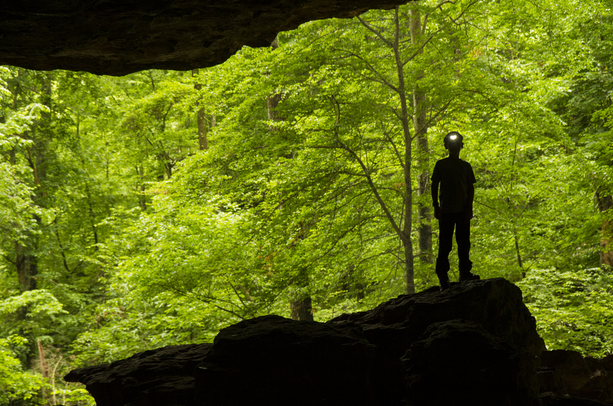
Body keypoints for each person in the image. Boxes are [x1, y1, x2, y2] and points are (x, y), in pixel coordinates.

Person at [431, 131, 479, 290]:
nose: (454, 146)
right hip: (446, 211)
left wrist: (469, 208)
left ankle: (465, 273)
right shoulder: (441, 165)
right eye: (451, 143)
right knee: (445, 245)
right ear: (447, 146)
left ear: (461, 146)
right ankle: (443, 278)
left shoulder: (466, 166)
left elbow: (470, 188)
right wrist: (436, 206)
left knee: (464, 243)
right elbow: (434, 185)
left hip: (462, 211)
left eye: (456, 143)